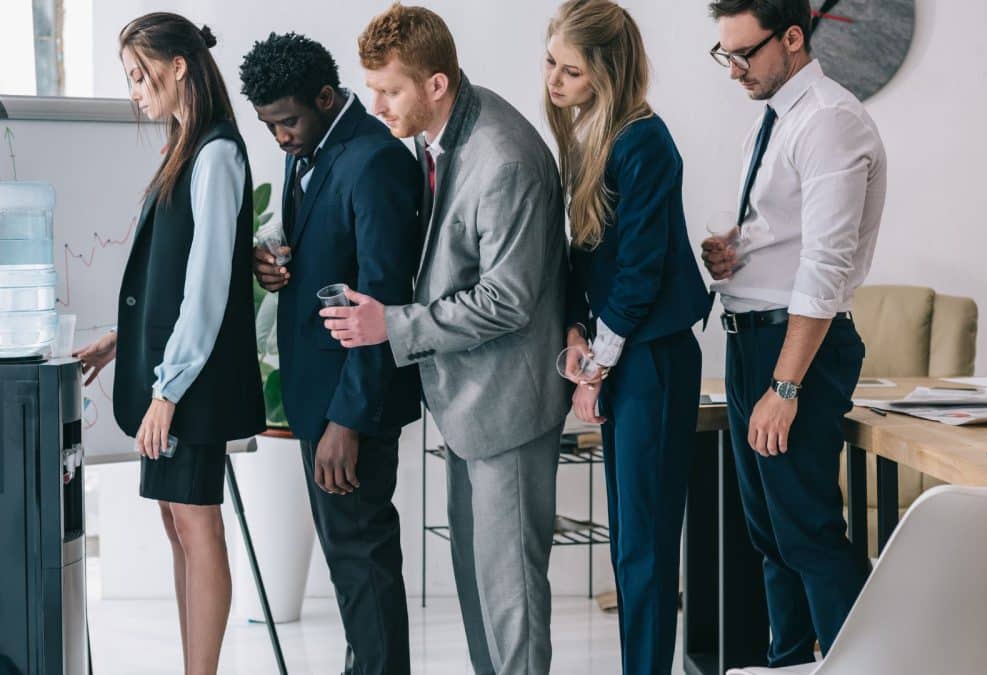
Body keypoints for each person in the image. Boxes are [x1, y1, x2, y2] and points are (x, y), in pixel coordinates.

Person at [321, 4, 570, 673]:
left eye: (389, 89)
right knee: (484, 593)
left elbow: (507, 300)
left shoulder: (504, 157)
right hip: (472, 405)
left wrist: (391, 325)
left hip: (507, 410)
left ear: (436, 84)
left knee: (509, 599)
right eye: (371, 87)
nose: (374, 106)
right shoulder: (447, 133)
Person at [74, 13, 265, 675]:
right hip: (172, 376)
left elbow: (208, 287)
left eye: (139, 74)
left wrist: (167, 390)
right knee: (177, 524)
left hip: (193, 386)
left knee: (198, 523)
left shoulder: (216, 152)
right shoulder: (186, 146)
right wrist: (118, 341)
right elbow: (169, 279)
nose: (133, 90)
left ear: (178, 65)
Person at [700, 0, 887, 667]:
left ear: (793, 38)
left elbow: (824, 268)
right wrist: (736, 248)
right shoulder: (778, 117)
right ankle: (787, 664)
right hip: (753, 341)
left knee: (807, 534)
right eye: (725, 53)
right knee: (772, 536)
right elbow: (788, 232)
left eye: (744, 53)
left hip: (796, 350)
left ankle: (862, 664)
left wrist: (785, 383)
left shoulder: (831, 122)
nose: (733, 69)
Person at [239, 31, 424, 675]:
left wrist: (347, 421)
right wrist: (274, 264)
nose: (282, 138)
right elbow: (324, 251)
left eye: (288, 120)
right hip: (318, 396)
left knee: (363, 560)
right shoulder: (309, 150)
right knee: (349, 560)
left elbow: (383, 296)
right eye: (269, 126)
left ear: (326, 95)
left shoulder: (376, 160)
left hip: (355, 403)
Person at [543, 2, 712, 672]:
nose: (555, 80)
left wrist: (596, 369)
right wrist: (580, 328)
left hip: (655, 356)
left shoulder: (644, 142)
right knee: (632, 540)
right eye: (551, 62)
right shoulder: (591, 133)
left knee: (644, 542)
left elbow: (640, 271)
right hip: (627, 350)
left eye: (572, 70)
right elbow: (594, 258)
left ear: (607, 74)